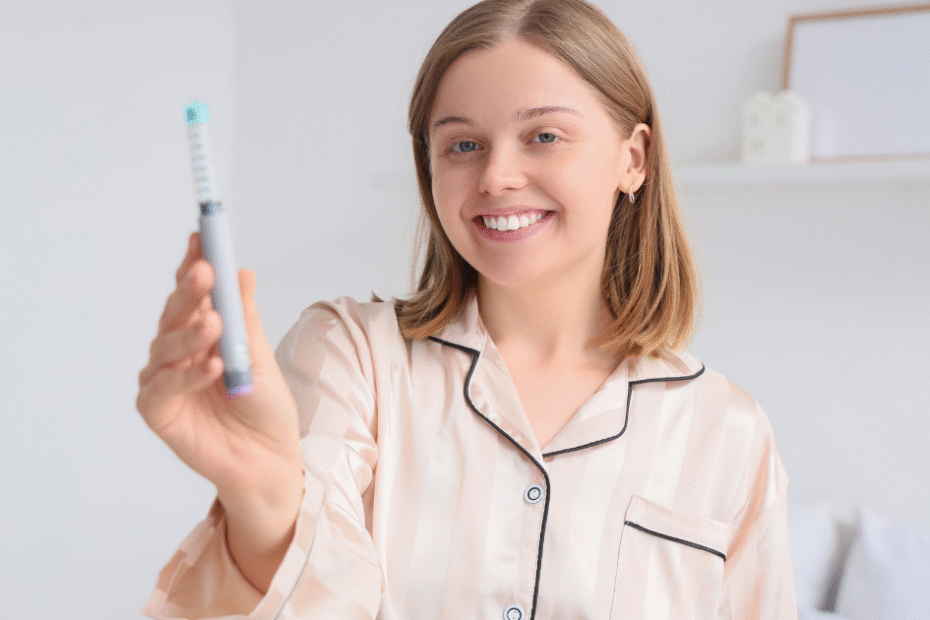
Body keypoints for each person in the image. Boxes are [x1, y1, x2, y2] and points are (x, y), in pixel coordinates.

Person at [137, 0, 798, 618]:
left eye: (543, 136)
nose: (496, 176)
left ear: (634, 158)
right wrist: (263, 494)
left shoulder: (729, 432)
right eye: (463, 144)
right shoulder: (349, 357)